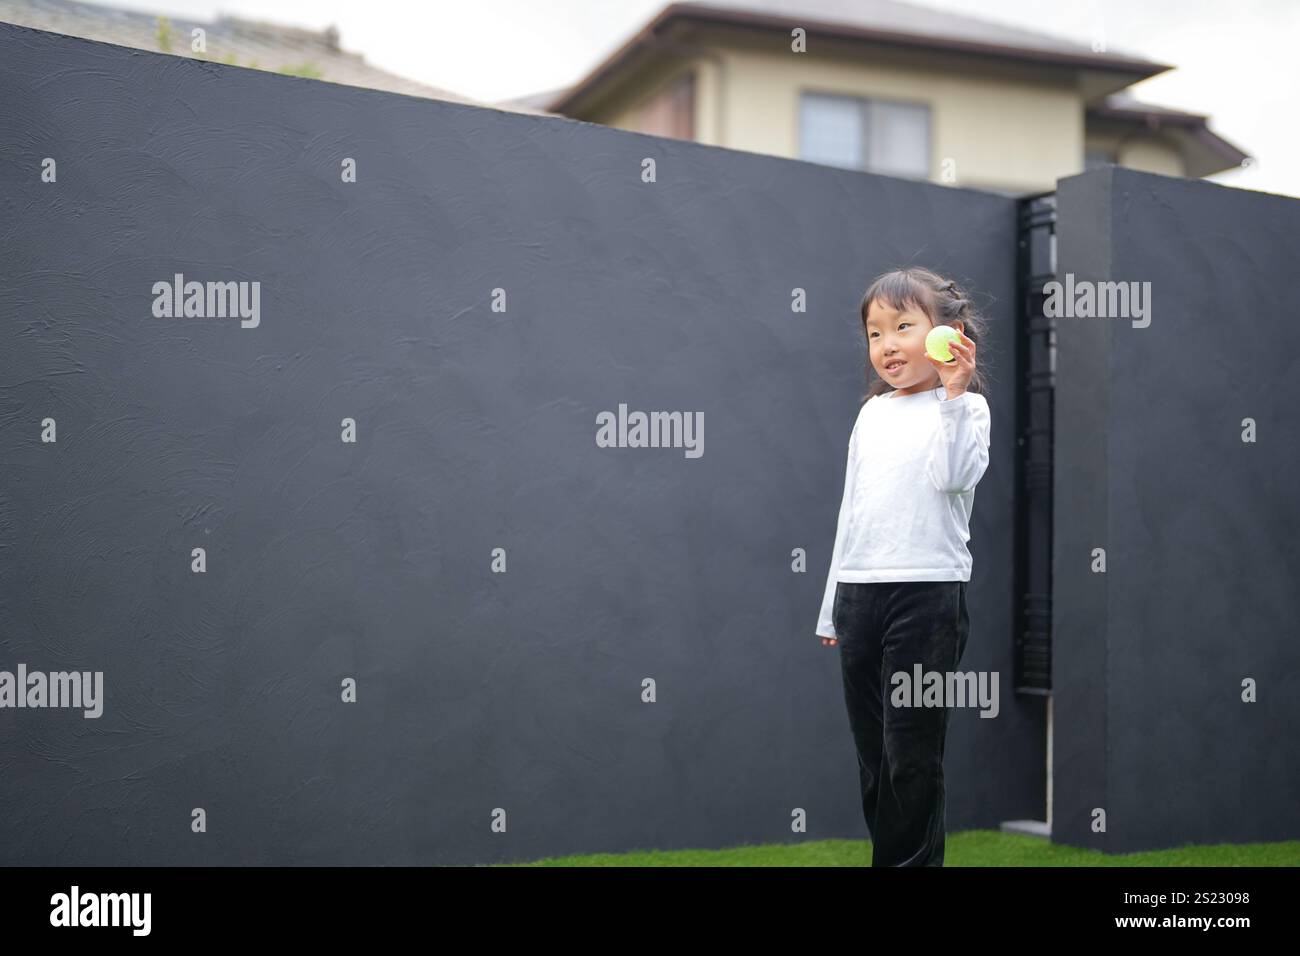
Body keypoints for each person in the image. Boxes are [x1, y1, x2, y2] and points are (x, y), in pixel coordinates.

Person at [815, 266, 992, 866]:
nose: (887, 345)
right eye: (874, 333)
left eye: (903, 326)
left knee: (912, 753)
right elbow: (851, 511)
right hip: (860, 597)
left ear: (951, 334)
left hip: (928, 597)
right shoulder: (871, 415)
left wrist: (955, 394)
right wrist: (831, 605)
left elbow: (954, 477)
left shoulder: (967, 410)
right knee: (875, 757)